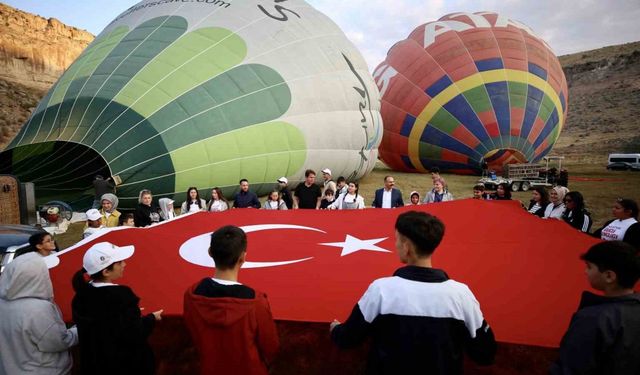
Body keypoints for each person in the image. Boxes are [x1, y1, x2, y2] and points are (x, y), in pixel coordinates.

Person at [330, 211, 496, 374]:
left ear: (406, 247)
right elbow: (485, 353)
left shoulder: (381, 290)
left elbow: (348, 338)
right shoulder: (462, 295)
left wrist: (335, 329)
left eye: (396, 240)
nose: (395, 245)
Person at [183, 225, 279, 375]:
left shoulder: (191, 295)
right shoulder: (256, 302)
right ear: (243, 257)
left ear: (210, 253)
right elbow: (270, 346)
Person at [71, 242, 162, 375]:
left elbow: (105, 321)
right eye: (119, 262)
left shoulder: (81, 296)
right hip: (124, 365)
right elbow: (134, 332)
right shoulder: (121, 297)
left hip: (95, 364)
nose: (124, 264)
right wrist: (152, 318)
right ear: (106, 271)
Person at [550, 241, 640, 374]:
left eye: (589, 267)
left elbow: (572, 366)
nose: (586, 272)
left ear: (609, 276)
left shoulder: (593, 319)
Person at [0, 253, 78, 374]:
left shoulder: (2, 303)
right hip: (43, 370)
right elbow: (57, 342)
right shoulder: (38, 309)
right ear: (37, 277)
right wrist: (78, 331)